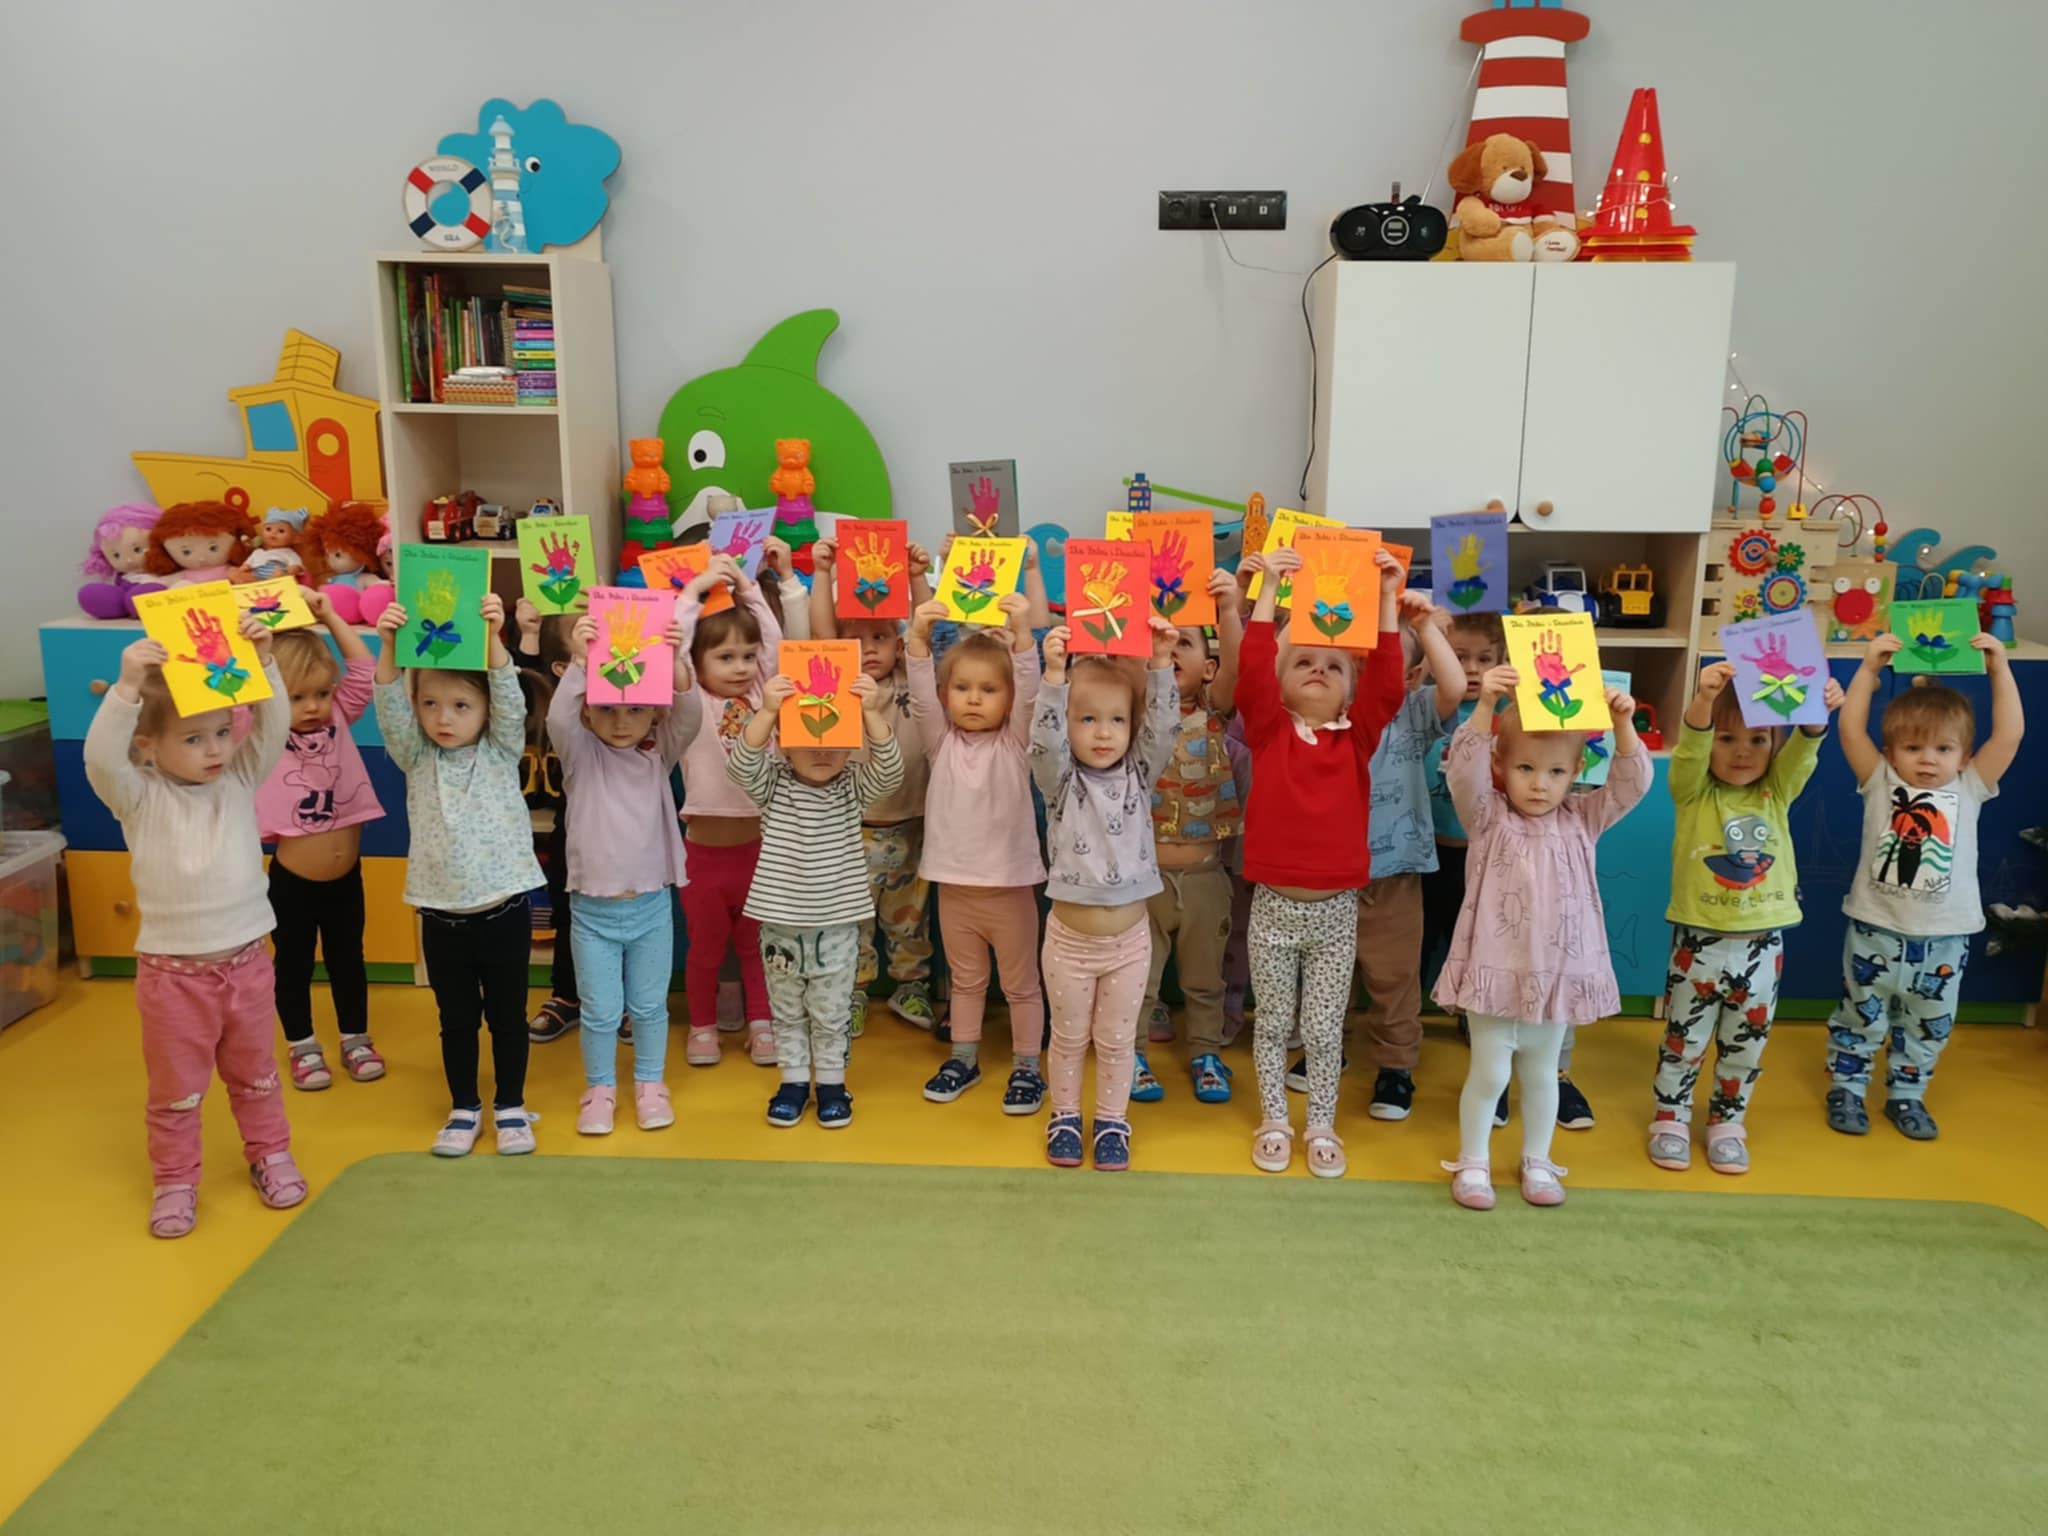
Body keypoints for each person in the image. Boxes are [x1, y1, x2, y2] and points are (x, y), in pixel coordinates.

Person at [84, 619, 304, 1238]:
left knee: (258, 1075)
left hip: (247, 966)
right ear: (148, 746)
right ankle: (176, 1181)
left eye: (221, 733)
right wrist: (127, 688)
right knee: (177, 1092)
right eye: (193, 738)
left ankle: (270, 1154)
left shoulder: (237, 779)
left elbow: (273, 729)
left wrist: (263, 664)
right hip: (174, 979)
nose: (214, 750)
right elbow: (100, 759)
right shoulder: (138, 797)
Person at [1437, 664, 1648, 1209]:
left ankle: (1537, 1160)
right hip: (1494, 973)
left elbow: (1631, 785)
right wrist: (1485, 707)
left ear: (1576, 770)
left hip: (1556, 975)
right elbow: (1461, 772)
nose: (1539, 783)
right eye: (1525, 768)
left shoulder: (1583, 818)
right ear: (1500, 766)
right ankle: (1474, 1161)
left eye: (1555, 771)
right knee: (1489, 1073)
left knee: (1541, 1073)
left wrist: (1624, 726)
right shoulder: (1488, 817)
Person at [1238, 543, 1405, 1179]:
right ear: (1283, 682)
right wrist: (1269, 594)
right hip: (1273, 909)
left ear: (1348, 692)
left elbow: (1387, 684)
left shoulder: (1357, 736)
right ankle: (1275, 1120)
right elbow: (1252, 671)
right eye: (1303, 662)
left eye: (1333, 666)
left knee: (1325, 1029)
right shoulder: (1269, 730)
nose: (1317, 670)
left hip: (1335, 914)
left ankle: (1321, 1125)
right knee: (1273, 1023)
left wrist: (1386, 598)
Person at [1826, 631, 2023, 1140]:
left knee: (1928, 1022)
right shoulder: (1880, 782)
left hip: (1945, 936)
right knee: (1860, 1015)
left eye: (1943, 748)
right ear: (1891, 752)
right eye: (1913, 748)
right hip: (1875, 928)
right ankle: (1847, 1087)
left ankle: (1906, 1095)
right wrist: (1868, 670)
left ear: (1964, 755)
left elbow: (2010, 736)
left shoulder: (1971, 786)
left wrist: (2000, 668)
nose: (1928, 759)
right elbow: (1850, 729)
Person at [1650, 659, 1843, 1173]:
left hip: (1762, 946)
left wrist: (1815, 715)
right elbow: (1689, 752)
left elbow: (1804, 752)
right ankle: (1670, 1118)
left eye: (1758, 740)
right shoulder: (1693, 792)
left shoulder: (1776, 792)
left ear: (1774, 746)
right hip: (1699, 943)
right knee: (1684, 1040)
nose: (1743, 751)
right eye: (1727, 738)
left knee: (1746, 1045)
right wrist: (1703, 700)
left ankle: (1727, 1123)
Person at [375, 593, 545, 1157]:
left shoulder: (500, 750)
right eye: (430, 704)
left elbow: (511, 700)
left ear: (485, 711)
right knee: (456, 1020)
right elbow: (390, 708)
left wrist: (494, 638)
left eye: (460, 706)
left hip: (503, 913)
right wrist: (389, 647)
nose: (443, 718)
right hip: (441, 918)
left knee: (508, 1018)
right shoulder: (416, 755)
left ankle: (511, 1104)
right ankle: (464, 1107)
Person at [1284, 594, 1465, 1119]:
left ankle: (1396, 1067)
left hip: (1395, 876)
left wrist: (1424, 628)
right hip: (1329, 877)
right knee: (1327, 977)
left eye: (1380, 659)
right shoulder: (1322, 713)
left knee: (1395, 979)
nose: (1365, 669)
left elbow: (1454, 688)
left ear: (1409, 677)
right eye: (1355, 660)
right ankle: (1327, 1049)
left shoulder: (1413, 711)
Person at [1030, 615, 1182, 1169]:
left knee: (1118, 1042)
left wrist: (1160, 663)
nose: (1102, 733)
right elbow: (1043, 744)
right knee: (1069, 1039)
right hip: (1069, 943)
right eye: (1087, 719)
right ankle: (1066, 1115)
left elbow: (1163, 729)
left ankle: (1113, 1120)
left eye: (1117, 720)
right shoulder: (1060, 780)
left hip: (1129, 944)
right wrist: (1053, 676)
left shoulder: (1139, 773)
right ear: (1068, 723)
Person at [726, 663, 904, 1126]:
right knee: (786, 1012)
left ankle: (830, 1085)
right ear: (784, 743)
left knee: (831, 1013)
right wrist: (767, 712)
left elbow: (891, 771)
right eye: (807, 738)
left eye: (833, 739)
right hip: (781, 928)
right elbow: (740, 764)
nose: (821, 750)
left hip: (837, 929)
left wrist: (871, 714)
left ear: (850, 744)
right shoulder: (774, 784)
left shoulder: (852, 787)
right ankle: (792, 1082)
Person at [552, 610, 700, 1136]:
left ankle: (650, 1084)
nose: (621, 721)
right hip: (592, 913)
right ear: (588, 710)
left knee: (649, 1006)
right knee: (599, 1009)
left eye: (636, 708)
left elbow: (689, 716)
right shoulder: (579, 754)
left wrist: (677, 663)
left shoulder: (658, 755)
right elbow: (559, 719)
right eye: (607, 708)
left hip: (651, 908)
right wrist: (579, 661)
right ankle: (600, 1089)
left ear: (654, 712)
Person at [907, 590, 1047, 1109]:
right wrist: (917, 639)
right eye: (962, 688)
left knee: (1022, 985)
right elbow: (921, 698)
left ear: (1006, 700)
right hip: (955, 891)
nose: (973, 699)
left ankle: (1028, 1068)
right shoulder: (940, 743)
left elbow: (1031, 697)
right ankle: (963, 1059)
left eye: (988, 690)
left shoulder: (1016, 743)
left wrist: (1024, 637)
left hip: (1009, 890)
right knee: (965, 983)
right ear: (946, 693)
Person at [806, 535, 941, 1033]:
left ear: (898, 642)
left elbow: (927, 627)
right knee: (853, 920)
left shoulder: (910, 675)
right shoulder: (841, 679)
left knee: (910, 918)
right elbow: (822, 634)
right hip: (852, 828)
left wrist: (916, 577)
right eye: (856, 640)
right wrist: (823, 573)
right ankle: (854, 991)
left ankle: (911, 986)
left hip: (912, 823)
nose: (868, 649)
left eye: (880, 637)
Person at [257, 589, 386, 1089]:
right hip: (293, 881)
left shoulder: (338, 719)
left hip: (346, 877)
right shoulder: (265, 733)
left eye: (320, 693)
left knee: (348, 958)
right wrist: (257, 651)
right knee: (292, 964)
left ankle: (356, 1038)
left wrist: (329, 616)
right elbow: (238, 694)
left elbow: (363, 669)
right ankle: (302, 1045)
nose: (313, 706)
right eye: (296, 697)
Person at [1138, 567, 1244, 1103]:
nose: (1172, 648)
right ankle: (1132, 1054)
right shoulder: (1133, 715)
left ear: (1209, 668)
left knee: (1205, 980)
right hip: (1143, 879)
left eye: (1184, 642)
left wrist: (1228, 609)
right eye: (1162, 640)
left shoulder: (1215, 713)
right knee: (1140, 980)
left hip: (1205, 876)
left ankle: (1206, 1051)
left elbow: (1237, 669)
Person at [672, 552, 783, 1066]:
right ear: (698, 664)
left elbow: (773, 645)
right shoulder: (690, 701)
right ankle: (702, 1027)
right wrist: (693, 594)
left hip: (758, 852)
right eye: (725, 657)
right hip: (702, 858)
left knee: (757, 947)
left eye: (746, 656)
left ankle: (762, 1023)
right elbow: (674, 648)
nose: (740, 667)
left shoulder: (762, 696)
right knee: (705, 950)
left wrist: (747, 587)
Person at [514, 598, 581, 1043]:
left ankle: (625, 1000)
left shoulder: (627, 693)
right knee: (567, 909)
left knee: (624, 916)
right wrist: (529, 635)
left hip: (626, 830)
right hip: (570, 824)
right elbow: (520, 687)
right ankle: (567, 995)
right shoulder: (551, 699)